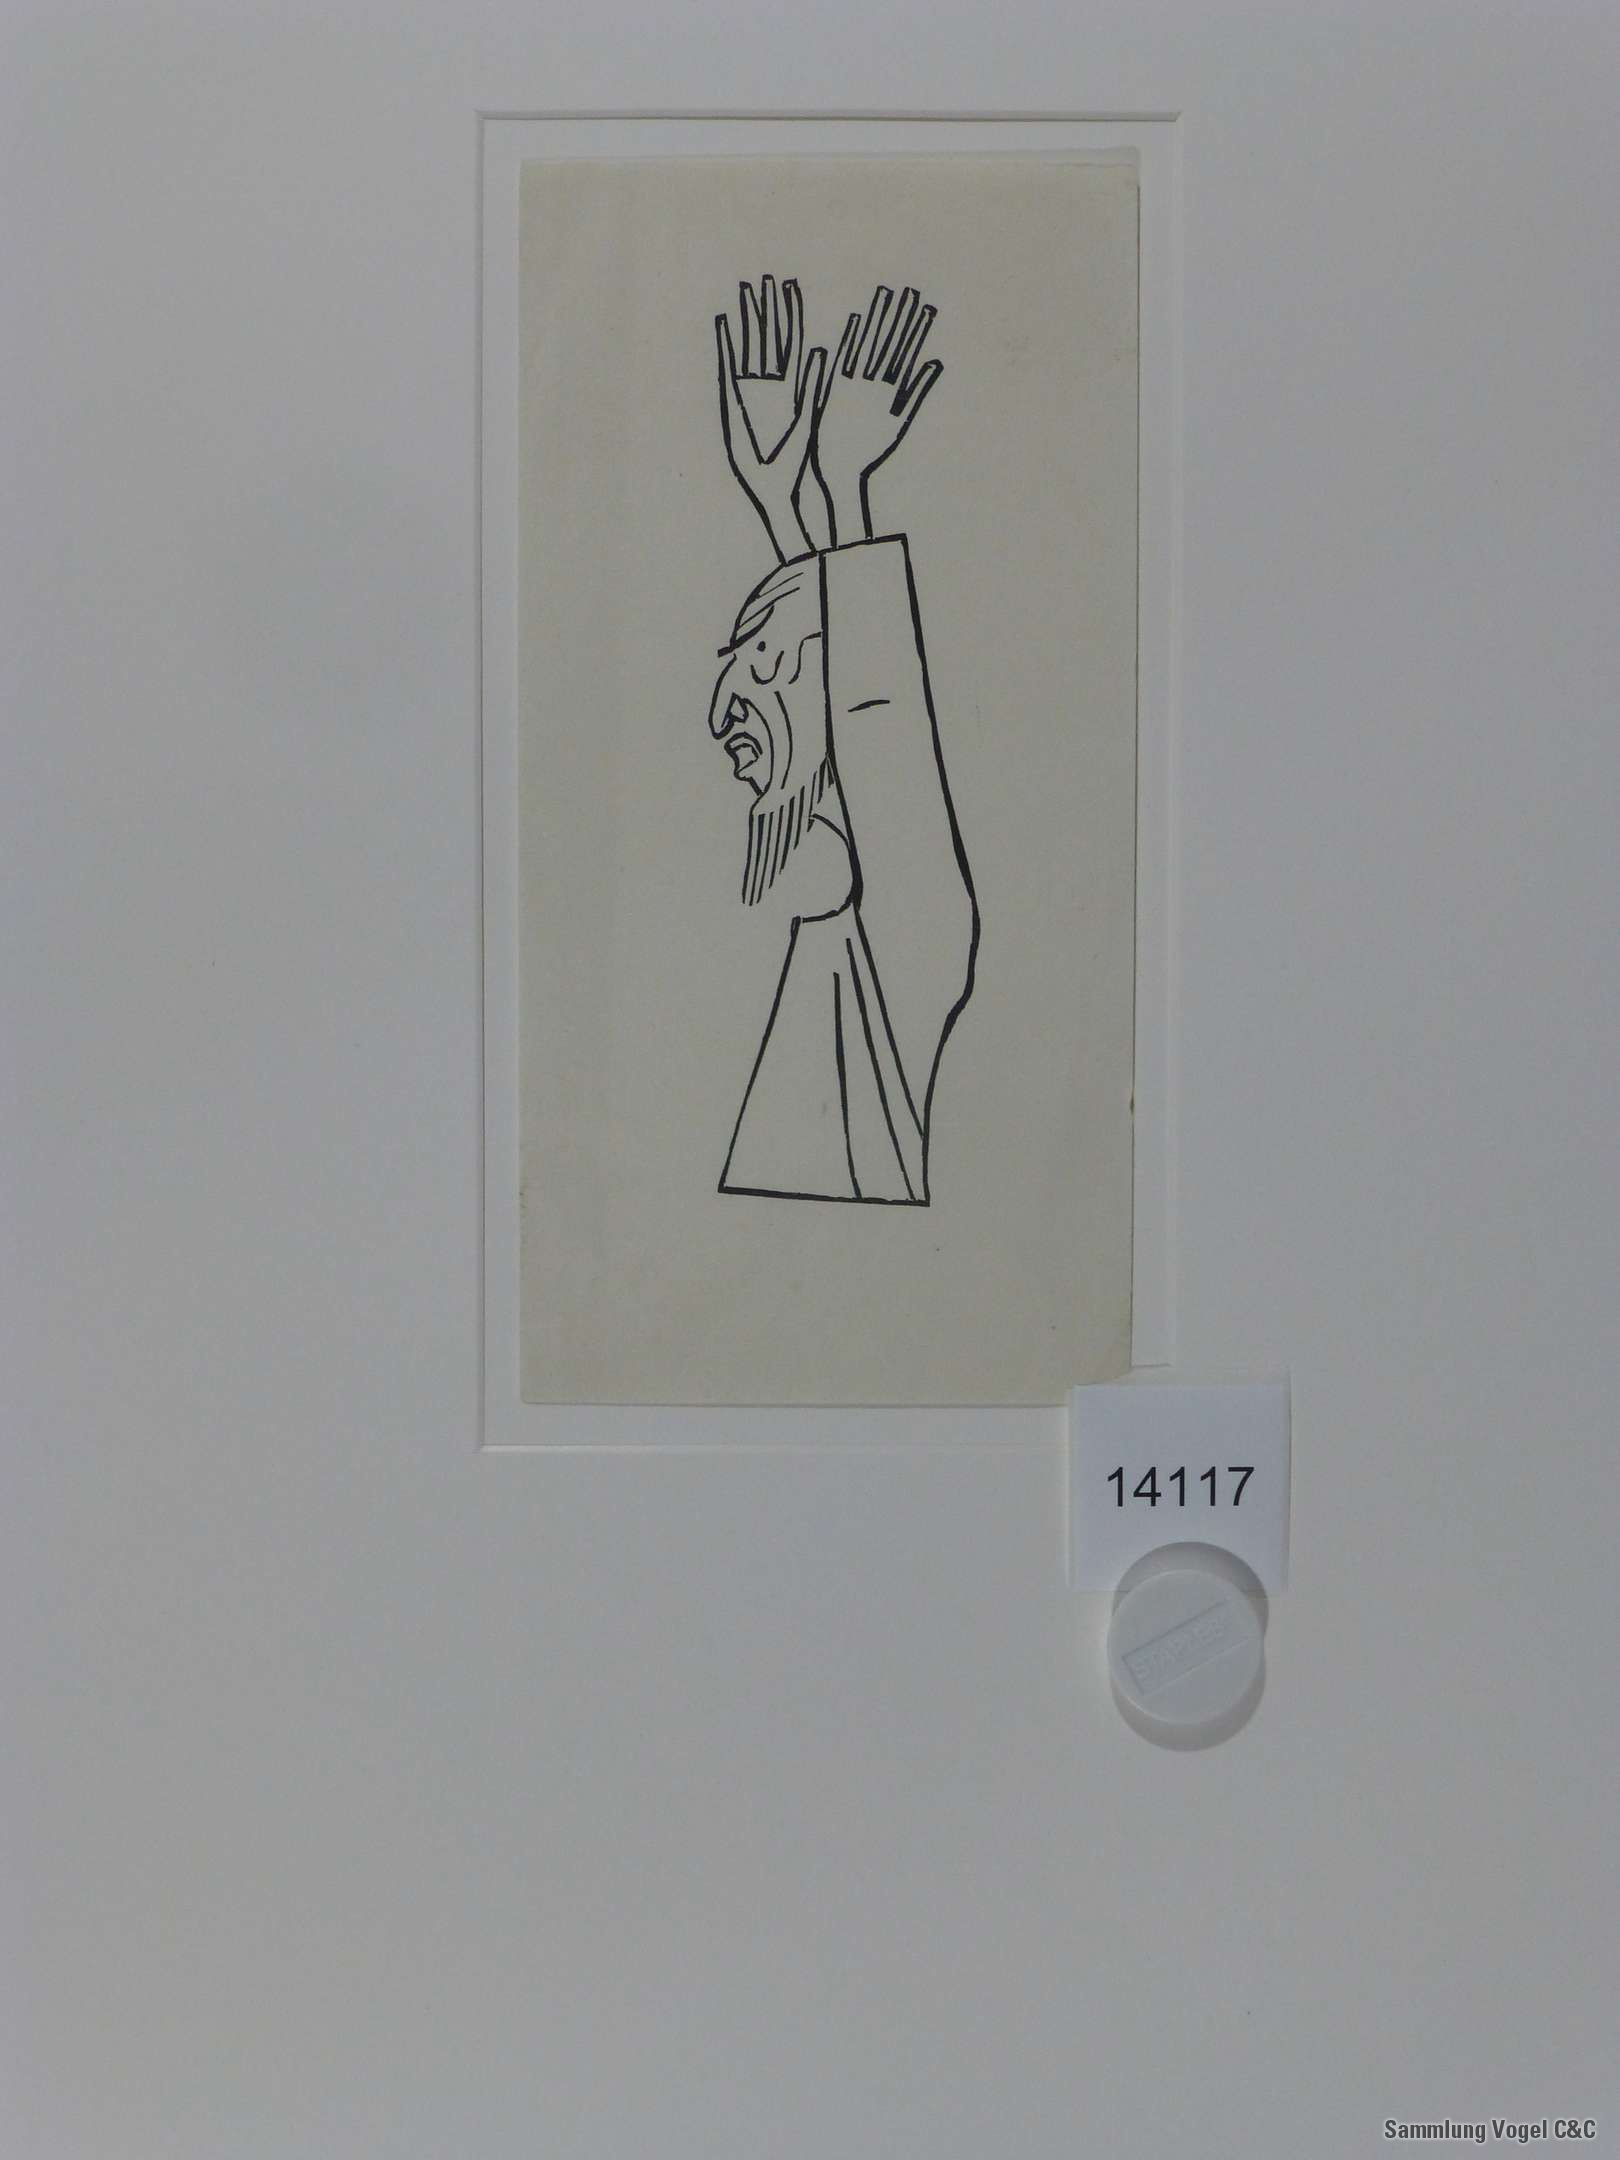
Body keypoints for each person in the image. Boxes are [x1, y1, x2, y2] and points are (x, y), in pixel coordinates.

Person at [709, 279, 978, 1204]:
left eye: (762, 665)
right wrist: (784, 501)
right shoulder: (810, 940)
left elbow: (870, 714)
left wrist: (843, 487)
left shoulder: (908, 935)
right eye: (738, 665)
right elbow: (835, 682)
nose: (724, 706)